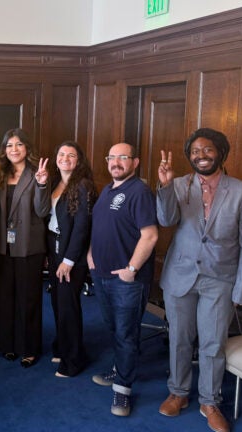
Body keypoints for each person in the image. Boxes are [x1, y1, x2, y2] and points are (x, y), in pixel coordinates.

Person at [156, 128, 242, 432]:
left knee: (213, 343)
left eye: (207, 150)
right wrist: (163, 187)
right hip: (180, 276)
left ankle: (209, 400)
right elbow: (165, 221)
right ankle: (178, 393)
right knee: (179, 338)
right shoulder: (177, 185)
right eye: (195, 152)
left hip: (221, 279)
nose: (201, 156)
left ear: (221, 153)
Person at [87, 142, 158, 417]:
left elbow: (150, 234)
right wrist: (92, 255)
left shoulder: (139, 191)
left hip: (127, 280)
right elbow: (99, 227)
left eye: (122, 157)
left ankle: (123, 389)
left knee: (126, 333)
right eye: (111, 156)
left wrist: (132, 268)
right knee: (115, 329)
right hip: (102, 274)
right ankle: (120, 368)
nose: (116, 162)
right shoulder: (107, 190)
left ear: (135, 162)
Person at [0, 129, 50, 368]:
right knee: (4, 298)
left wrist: (43, 185)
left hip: (29, 245)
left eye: (19, 145)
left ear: (27, 148)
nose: (14, 149)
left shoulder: (38, 173)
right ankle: (7, 344)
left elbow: (43, 211)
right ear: (4, 149)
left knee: (29, 299)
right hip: (1, 246)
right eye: (9, 145)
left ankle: (29, 347)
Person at [46, 141, 97, 378]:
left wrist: (68, 260)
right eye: (61, 153)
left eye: (71, 155)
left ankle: (73, 360)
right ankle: (62, 346)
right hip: (54, 249)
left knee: (68, 307)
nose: (65, 158)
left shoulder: (83, 186)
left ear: (79, 161)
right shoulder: (55, 184)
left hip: (70, 255)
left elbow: (82, 227)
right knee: (58, 302)